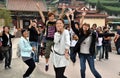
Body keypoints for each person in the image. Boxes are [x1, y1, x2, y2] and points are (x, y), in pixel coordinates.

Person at [71, 11, 102, 78]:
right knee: (82, 69)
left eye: (86, 26)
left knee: (93, 69)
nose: (85, 27)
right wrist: (72, 17)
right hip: (82, 54)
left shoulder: (91, 34)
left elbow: (100, 35)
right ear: (82, 27)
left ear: (88, 28)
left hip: (89, 55)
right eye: (84, 26)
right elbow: (73, 27)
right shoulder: (80, 34)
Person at [36, 3, 66, 71]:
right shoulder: (47, 22)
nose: (51, 17)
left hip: (55, 39)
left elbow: (60, 17)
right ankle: (47, 64)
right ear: (49, 17)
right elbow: (42, 16)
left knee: (57, 52)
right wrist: (39, 8)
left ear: (54, 17)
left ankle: (57, 63)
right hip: (48, 40)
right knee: (47, 52)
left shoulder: (56, 22)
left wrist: (63, 10)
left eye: (52, 16)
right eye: (50, 16)